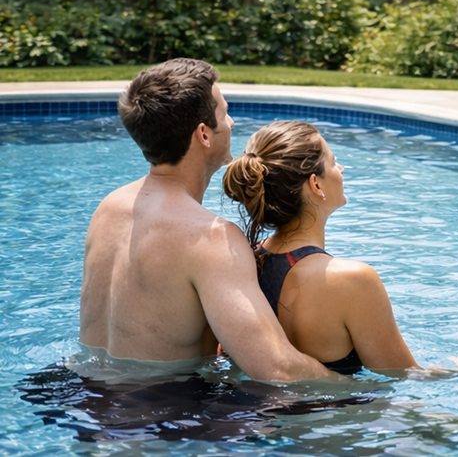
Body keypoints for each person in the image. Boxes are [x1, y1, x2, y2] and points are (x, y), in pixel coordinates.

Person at [80, 59, 335, 381]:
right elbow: (275, 368)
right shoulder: (210, 237)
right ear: (203, 134)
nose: (230, 122)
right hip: (155, 414)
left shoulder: (109, 207)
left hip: (81, 392)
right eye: (224, 112)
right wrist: (361, 390)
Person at [223, 121, 420, 375]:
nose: (341, 168)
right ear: (316, 185)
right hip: (338, 414)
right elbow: (405, 376)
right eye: (333, 162)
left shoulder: (243, 261)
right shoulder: (352, 280)